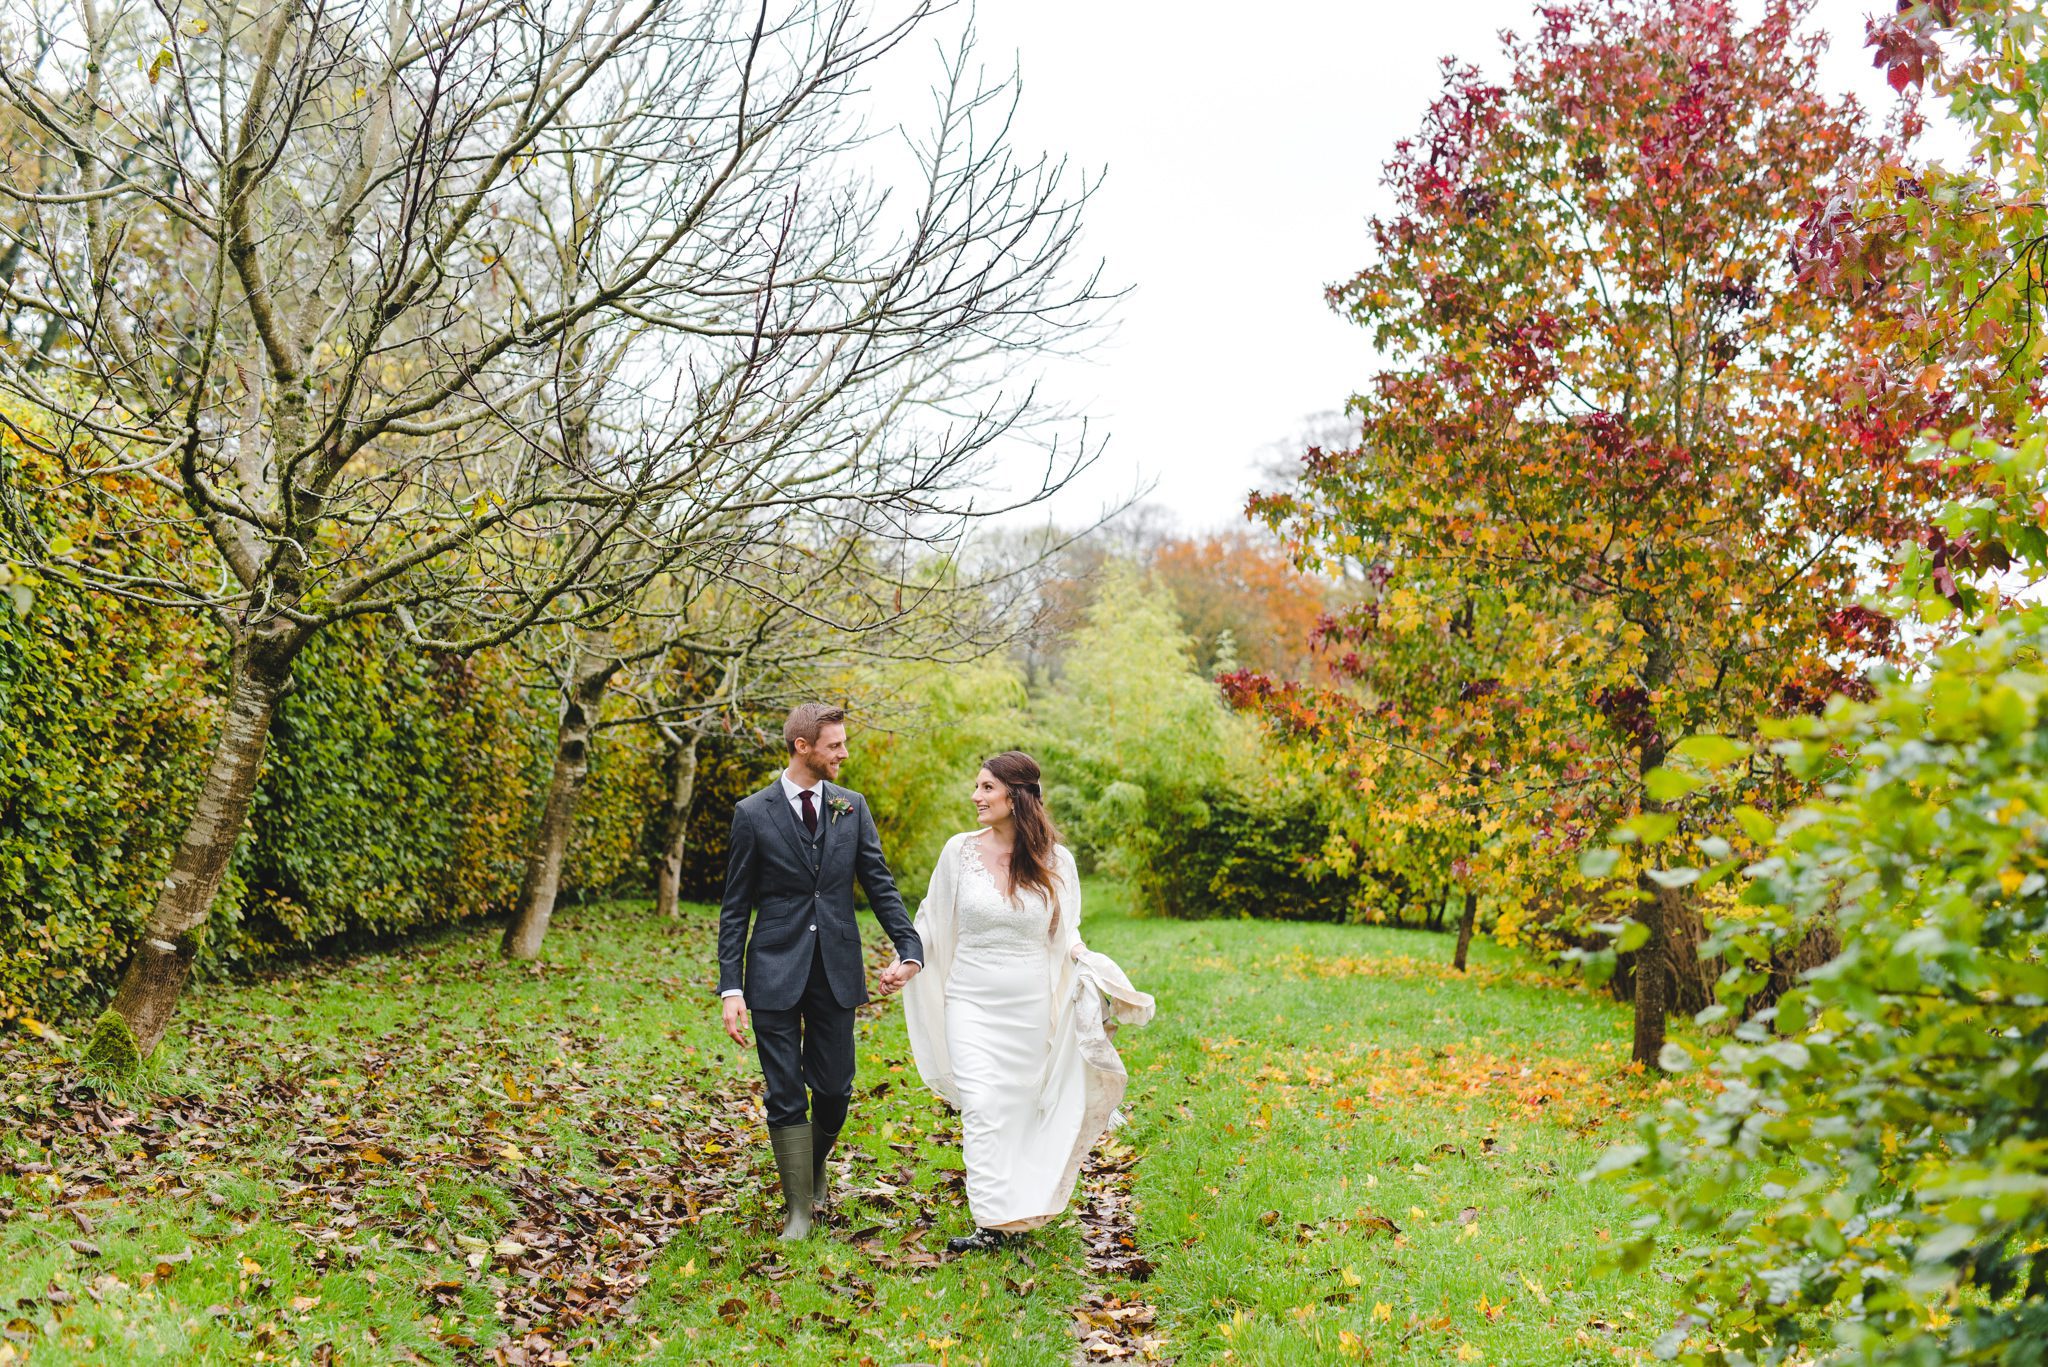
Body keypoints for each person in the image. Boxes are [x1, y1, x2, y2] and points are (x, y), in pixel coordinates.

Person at [900, 751, 1154, 1253]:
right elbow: (930, 922)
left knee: (1019, 1106)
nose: (976, 796)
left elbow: (1067, 934)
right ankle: (990, 1223)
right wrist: (907, 961)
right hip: (969, 1000)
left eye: (986, 788)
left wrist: (1096, 970)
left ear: (1017, 796)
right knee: (983, 1104)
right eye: (977, 787)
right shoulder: (958, 852)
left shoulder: (1058, 862)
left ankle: (1020, 1206)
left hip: (1029, 1003)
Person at [717, 703, 923, 1241]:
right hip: (772, 970)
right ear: (802, 747)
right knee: (784, 1093)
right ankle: (799, 1212)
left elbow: (879, 883)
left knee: (833, 1090)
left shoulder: (851, 808)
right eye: (835, 745)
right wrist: (731, 987)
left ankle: (812, 1167)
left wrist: (909, 946)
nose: (844, 753)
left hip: (835, 967)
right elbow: (735, 907)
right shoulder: (753, 813)